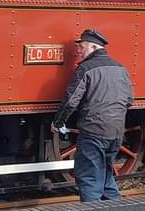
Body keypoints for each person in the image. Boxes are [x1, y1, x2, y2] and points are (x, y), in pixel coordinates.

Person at [51, 29, 134, 202]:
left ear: (93, 47)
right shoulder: (121, 68)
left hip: (93, 131)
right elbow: (129, 100)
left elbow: (71, 100)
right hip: (116, 133)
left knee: (89, 177)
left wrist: (58, 123)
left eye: (82, 46)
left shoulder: (86, 68)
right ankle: (113, 210)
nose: (79, 50)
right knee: (105, 174)